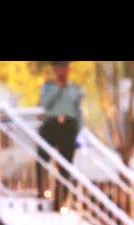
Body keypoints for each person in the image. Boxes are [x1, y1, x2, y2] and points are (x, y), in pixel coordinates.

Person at [37, 61, 84, 209]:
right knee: (42, 158)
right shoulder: (48, 87)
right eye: (59, 67)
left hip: (68, 127)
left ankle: (60, 202)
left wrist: (79, 132)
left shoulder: (75, 89)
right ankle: (41, 192)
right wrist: (58, 88)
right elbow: (45, 104)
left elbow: (78, 112)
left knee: (66, 166)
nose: (62, 70)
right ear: (55, 69)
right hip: (51, 125)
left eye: (65, 67)